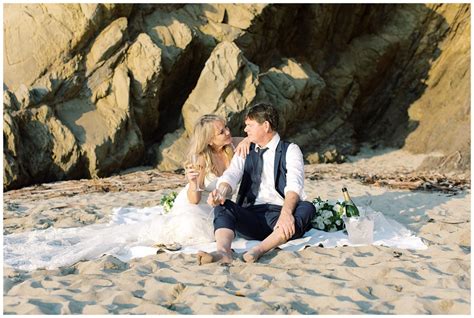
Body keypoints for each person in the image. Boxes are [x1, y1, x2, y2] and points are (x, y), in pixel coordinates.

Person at [3, 114, 250, 271]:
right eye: (222, 131)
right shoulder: (199, 158)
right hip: (196, 203)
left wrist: (248, 141)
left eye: (227, 127)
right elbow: (194, 199)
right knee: (192, 226)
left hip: (220, 203)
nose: (228, 132)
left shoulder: (234, 145)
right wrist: (194, 181)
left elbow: (257, 140)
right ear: (208, 140)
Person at [198, 103, 315, 265]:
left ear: (265, 126)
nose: (245, 130)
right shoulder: (245, 149)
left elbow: (295, 185)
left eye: (250, 125)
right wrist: (221, 192)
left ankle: (258, 250)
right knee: (223, 205)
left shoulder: (291, 150)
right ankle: (224, 252)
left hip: (279, 217)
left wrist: (286, 214)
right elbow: (231, 175)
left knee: (307, 207)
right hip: (250, 216)